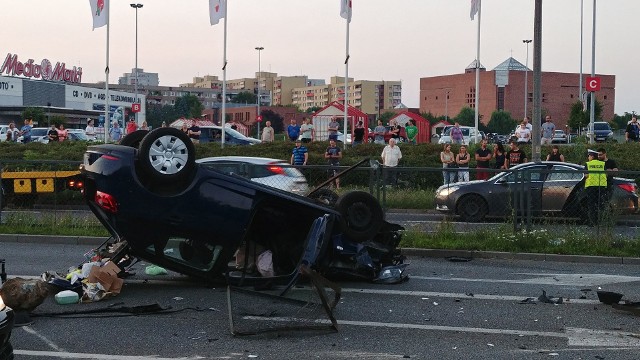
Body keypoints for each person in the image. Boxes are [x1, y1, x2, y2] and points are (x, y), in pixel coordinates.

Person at [585, 149, 607, 226]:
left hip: (591, 186)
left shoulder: (588, 164)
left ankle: (592, 222)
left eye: (589, 156)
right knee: (600, 205)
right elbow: (606, 174)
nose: (588, 157)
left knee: (591, 205)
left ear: (592, 156)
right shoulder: (602, 164)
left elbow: (586, 175)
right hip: (601, 186)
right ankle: (600, 222)